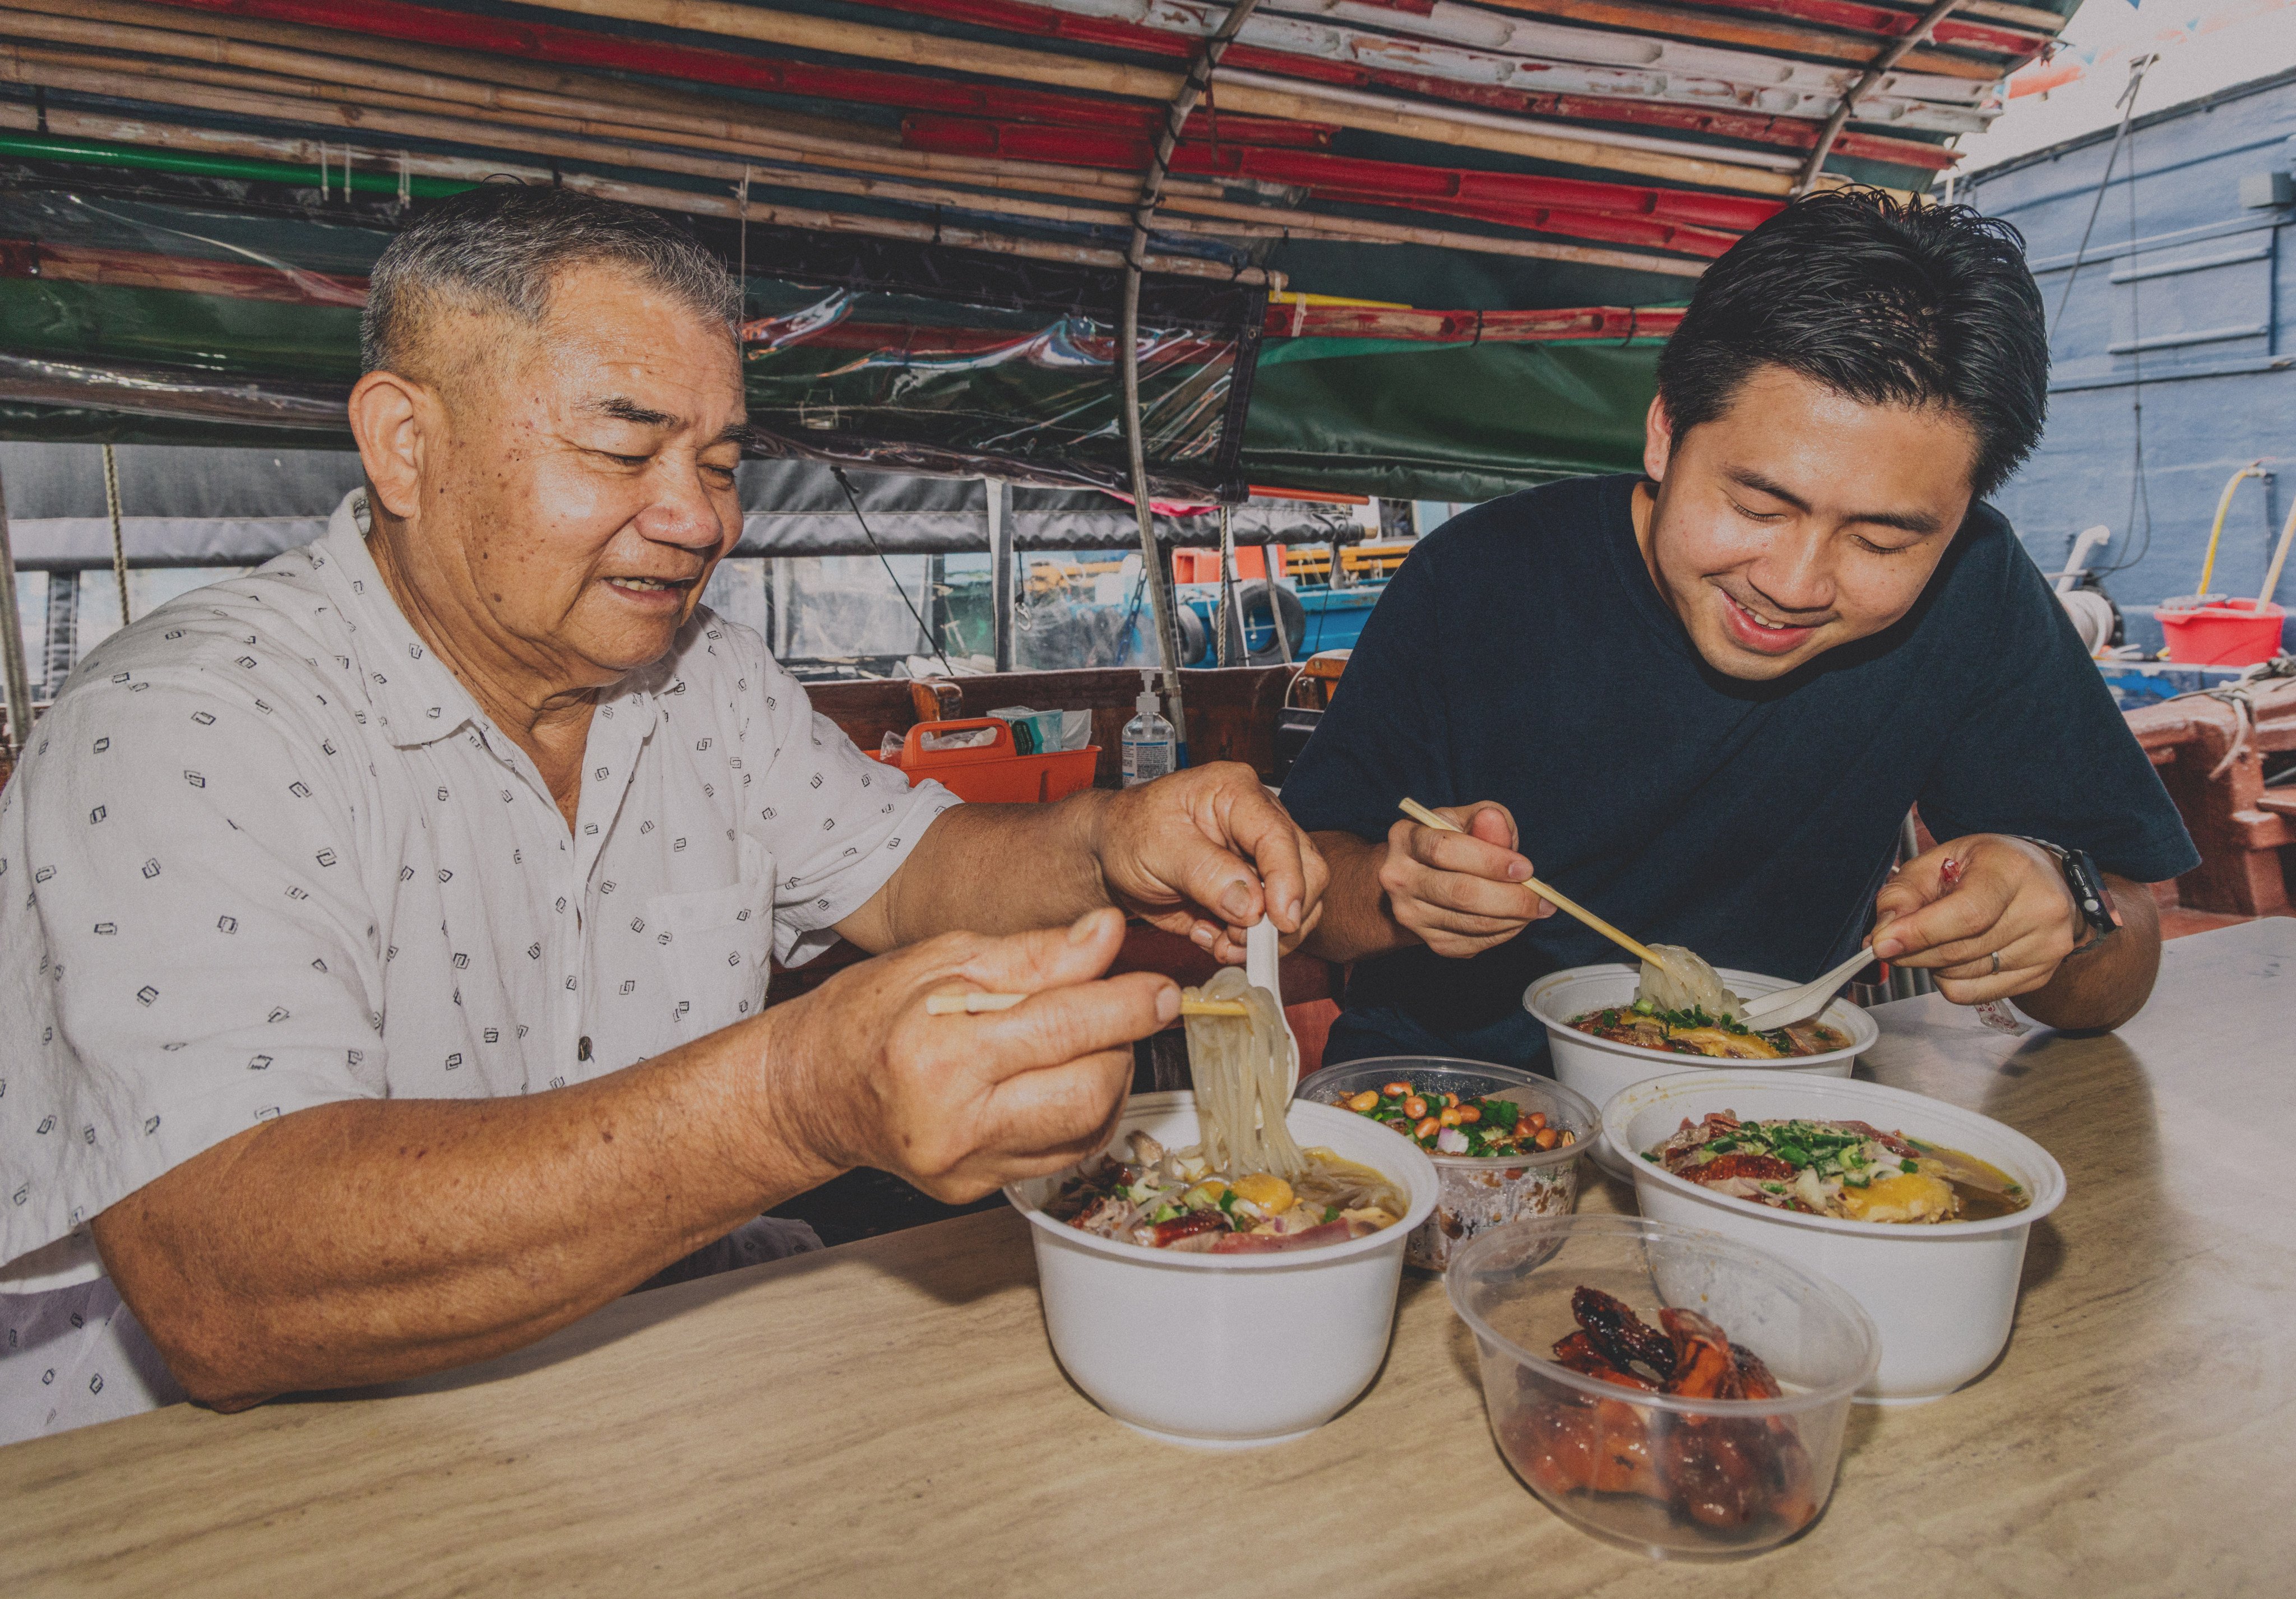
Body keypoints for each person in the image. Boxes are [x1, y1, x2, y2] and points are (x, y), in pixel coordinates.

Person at [0, 184, 1326, 1443]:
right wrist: (792, 1100)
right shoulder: (185, 720)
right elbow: (229, 1285)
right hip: (214, 1469)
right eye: (624, 446)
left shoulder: (703, 678)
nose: (697, 518)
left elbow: (911, 867)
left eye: (720, 461)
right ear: (408, 443)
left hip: (644, 1384)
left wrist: (1106, 838)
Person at [1286, 190, 2195, 1068]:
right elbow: (1317, 887)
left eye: (1880, 539)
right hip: (1448, 1115)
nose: (1794, 586)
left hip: (1761, 1131)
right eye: (1759, 506)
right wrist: (1402, 894)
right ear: (1665, 430)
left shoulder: (1975, 590)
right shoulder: (1477, 574)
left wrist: (2061, 916)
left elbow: (2123, 967)